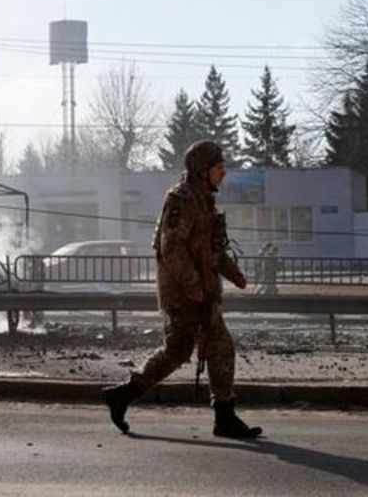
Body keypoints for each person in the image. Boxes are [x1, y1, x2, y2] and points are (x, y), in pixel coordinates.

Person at [102, 140, 261, 438]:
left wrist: (233, 274)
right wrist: (192, 286)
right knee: (183, 351)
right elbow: (171, 247)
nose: (223, 174)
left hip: (203, 292)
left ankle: (222, 417)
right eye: (218, 168)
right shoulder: (181, 200)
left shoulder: (205, 201)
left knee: (210, 348)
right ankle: (124, 396)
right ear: (203, 171)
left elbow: (212, 250)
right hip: (183, 294)